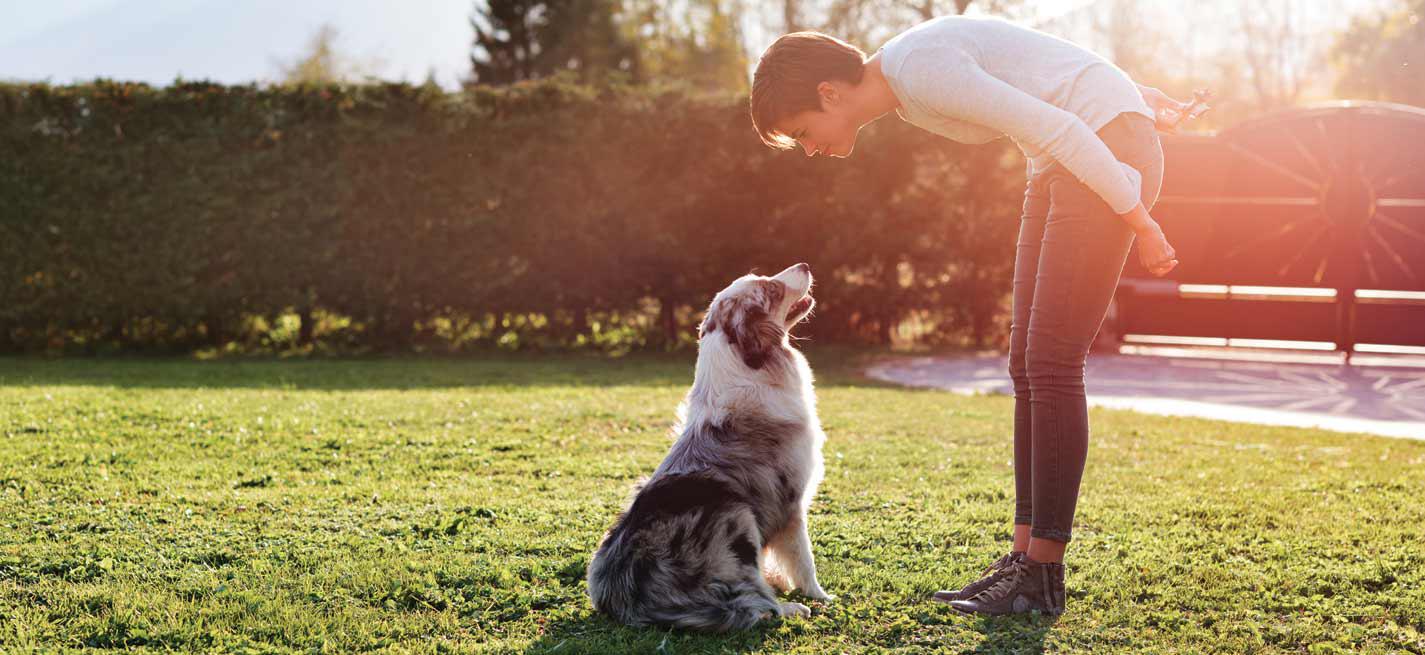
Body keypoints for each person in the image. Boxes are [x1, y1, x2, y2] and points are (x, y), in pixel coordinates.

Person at [749, 14, 1204, 616]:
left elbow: (1061, 119)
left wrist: (1140, 219)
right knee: (1027, 362)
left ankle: (1042, 573)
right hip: (1066, 157)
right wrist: (1129, 93)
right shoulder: (910, 83)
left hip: (1097, 152)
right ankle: (1024, 559)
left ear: (829, 93)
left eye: (804, 131)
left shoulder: (919, 70)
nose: (810, 149)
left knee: (1053, 361)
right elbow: (1035, 70)